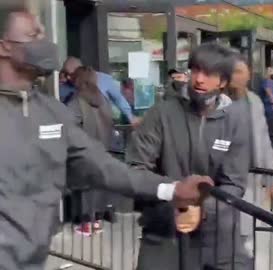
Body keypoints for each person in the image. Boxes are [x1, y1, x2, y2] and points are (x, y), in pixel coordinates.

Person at [0, 11, 213, 269]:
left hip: (32, 259)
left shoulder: (52, 112)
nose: (45, 43)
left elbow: (104, 167)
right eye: (34, 35)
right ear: (5, 47)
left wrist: (172, 189)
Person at [126, 43, 250, 270]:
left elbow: (235, 183)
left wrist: (202, 210)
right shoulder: (162, 113)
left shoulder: (235, 121)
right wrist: (175, 201)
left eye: (209, 73)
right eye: (195, 70)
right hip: (163, 231)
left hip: (217, 237)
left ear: (222, 82)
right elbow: (136, 168)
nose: (199, 79)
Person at [226, 52, 273, 265]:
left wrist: (272, 175)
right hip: (226, 174)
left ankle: (243, 257)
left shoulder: (255, 101)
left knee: (246, 225)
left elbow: (264, 139)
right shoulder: (217, 101)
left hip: (251, 173)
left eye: (240, 71)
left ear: (248, 75)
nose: (236, 76)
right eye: (233, 71)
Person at [66, 66, 115, 235]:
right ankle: (98, 222)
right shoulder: (103, 100)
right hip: (104, 149)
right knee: (100, 184)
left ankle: (86, 223)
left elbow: (69, 126)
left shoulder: (76, 101)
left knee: (85, 187)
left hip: (84, 152)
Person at [60, 57, 141, 126]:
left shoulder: (103, 79)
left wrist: (130, 116)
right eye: (65, 73)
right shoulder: (67, 86)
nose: (68, 77)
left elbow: (118, 98)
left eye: (70, 74)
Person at [260, 67, 273, 147]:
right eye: (272, 72)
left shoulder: (271, 82)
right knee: (272, 126)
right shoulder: (267, 82)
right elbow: (269, 93)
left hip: (272, 107)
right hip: (270, 108)